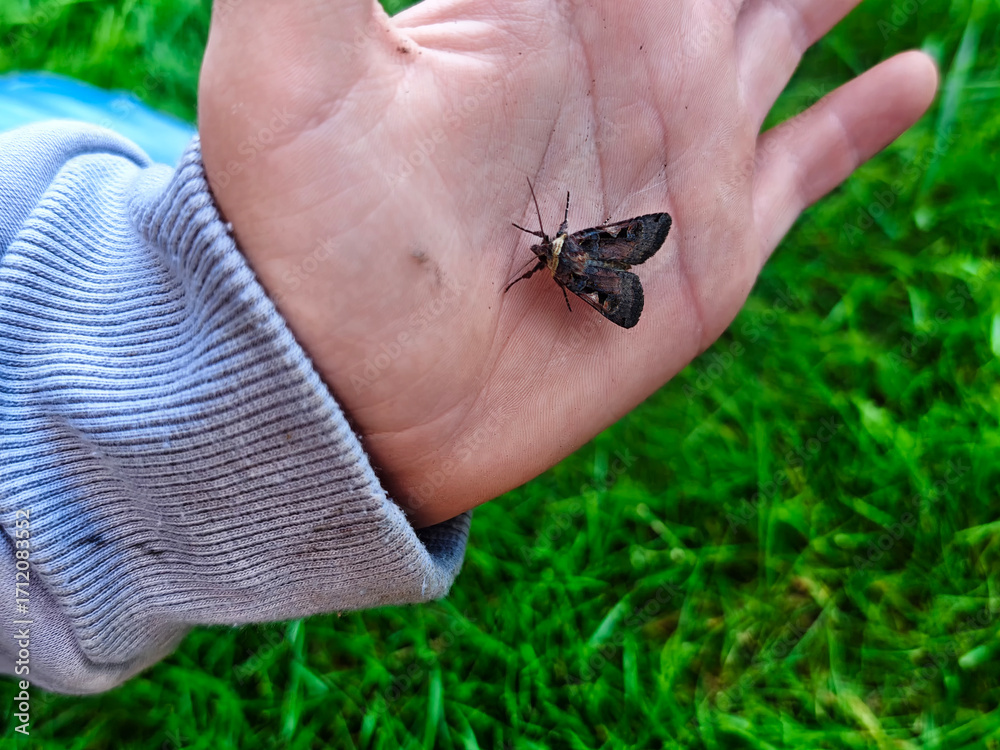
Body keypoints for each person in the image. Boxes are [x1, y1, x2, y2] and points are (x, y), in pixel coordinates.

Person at [0, 0, 938, 695]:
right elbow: (573, 259)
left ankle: (161, 236)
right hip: (583, 271)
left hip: (585, 271)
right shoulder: (564, 265)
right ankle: (162, 227)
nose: (546, 249)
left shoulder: (562, 264)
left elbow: (571, 257)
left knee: (45, 109)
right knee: (58, 113)